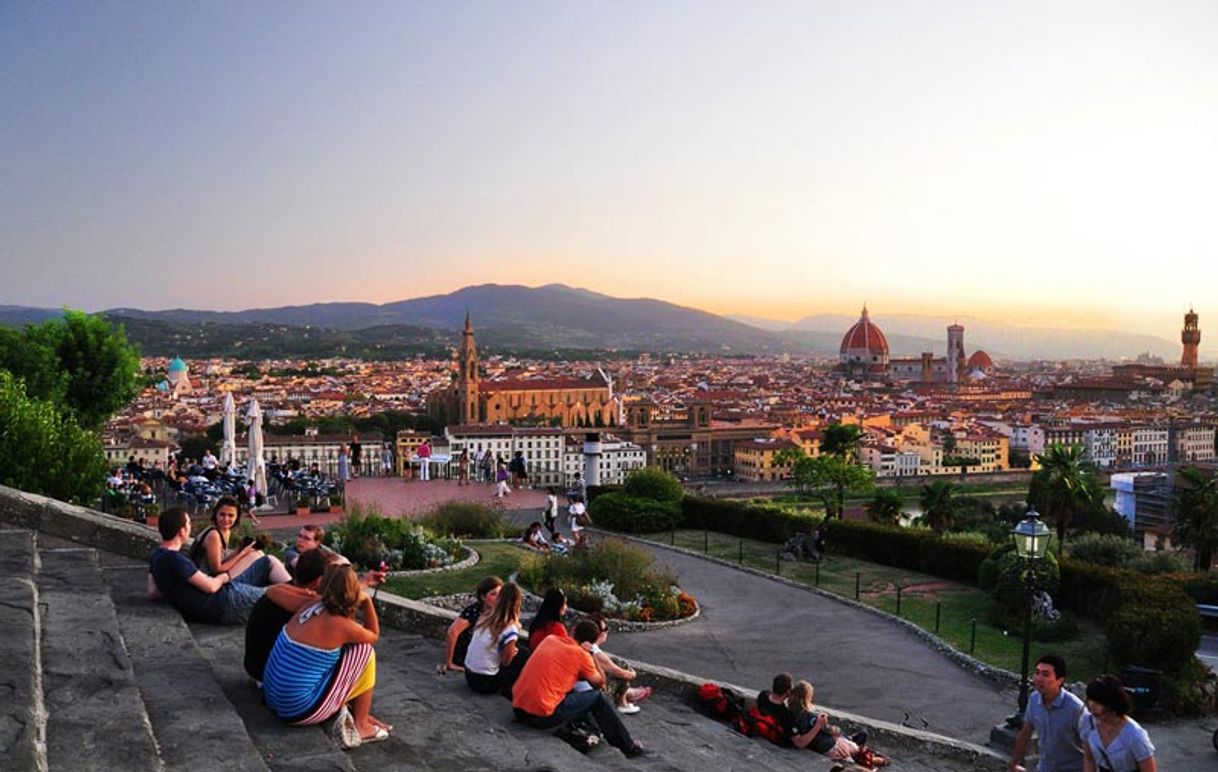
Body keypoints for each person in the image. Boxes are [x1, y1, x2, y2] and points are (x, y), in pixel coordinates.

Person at [263, 564, 390, 745]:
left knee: (333, 655)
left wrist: (314, 594)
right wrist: (367, 602)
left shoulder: (307, 606)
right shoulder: (342, 626)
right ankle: (361, 724)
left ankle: (359, 712)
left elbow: (273, 590)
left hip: (274, 699)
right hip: (298, 710)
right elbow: (373, 635)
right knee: (364, 651)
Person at [512, 619, 646, 758]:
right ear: (592, 643)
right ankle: (627, 746)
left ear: (574, 631)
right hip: (540, 717)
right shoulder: (582, 656)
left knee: (571, 690)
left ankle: (586, 728)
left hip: (519, 709)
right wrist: (592, 655)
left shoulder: (551, 640)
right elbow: (600, 683)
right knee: (597, 698)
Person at [147, 507, 268, 625]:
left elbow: (153, 592)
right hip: (224, 603)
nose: (191, 526)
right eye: (189, 523)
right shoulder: (176, 559)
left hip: (214, 604)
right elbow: (211, 587)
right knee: (274, 594)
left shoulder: (156, 555)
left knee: (267, 565)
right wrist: (224, 577)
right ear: (182, 531)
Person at [189, 496, 291, 587]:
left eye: (230, 515)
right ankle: (291, 588)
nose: (226, 519)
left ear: (237, 516)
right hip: (209, 581)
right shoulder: (213, 535)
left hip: (218, 577)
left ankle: (289, 588)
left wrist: (239, 550)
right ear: (216, 514)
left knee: (258, 553)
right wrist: (242, 553)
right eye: (222, 514)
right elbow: (217, 569)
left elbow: (223, 562)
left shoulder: (225, 531)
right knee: (269, 560)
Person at [1009, 654, 1086, 772]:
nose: (1039, 678)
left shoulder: (1076, 709)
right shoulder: (1035, 699)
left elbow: (1092, 747)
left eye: (1045, 674)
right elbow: (1025, 733)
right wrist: (1014, 764)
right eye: (1037, 673)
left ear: (1060, 680)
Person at [788, 680, 887, 766]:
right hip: (829, 746)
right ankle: (880, 760)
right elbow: (826, 730)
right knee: (858, 748)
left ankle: (852, 741)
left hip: (820, 745)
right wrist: (828, 726)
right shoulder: (809, 716)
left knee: (850, 740)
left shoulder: (791, 714)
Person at [576, 614, 651, 714]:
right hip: (587, 693)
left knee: (615, 664)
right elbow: (621, 673)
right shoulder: (594, 652)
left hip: (576, 688)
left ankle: (628, 693)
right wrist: (633, 673)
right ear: (597, 633)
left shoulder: (578, 643)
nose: (607, 631)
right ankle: (622, 703)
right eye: (605, 629)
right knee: (621, 668)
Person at [1079, 675, 1156, 772]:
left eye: (1098, 703)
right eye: (1090, 700)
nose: (1092, 707)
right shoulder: (1088, 722)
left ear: (1113, 704)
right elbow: (1089, 759)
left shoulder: (1135, 735)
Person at [463, 582, 528, 696]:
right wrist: (512, 653)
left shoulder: (486, 615)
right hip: (485, 682)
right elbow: (505, 662)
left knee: (512, 648)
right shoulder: (510, 628)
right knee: (524, 654)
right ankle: (511, 688)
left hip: (469, 676)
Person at [443, 576, 503, 673]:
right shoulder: (474, 611)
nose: (498, 598)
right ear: (483, 597)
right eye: (493, 594)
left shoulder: (499, 611)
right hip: (468, 655)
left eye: (500, 594)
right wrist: (449, 662)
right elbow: (452, 633)